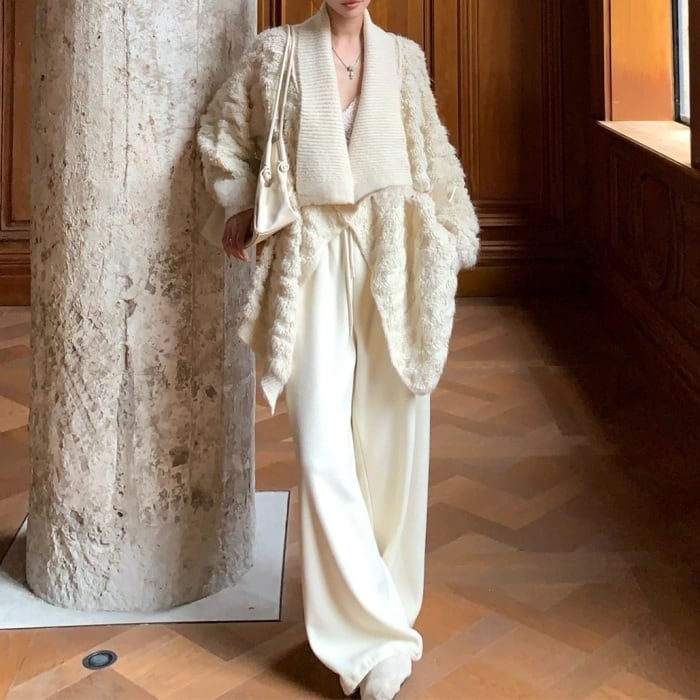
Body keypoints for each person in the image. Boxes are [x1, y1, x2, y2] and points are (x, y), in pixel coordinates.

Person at [197, 1, 480, 698]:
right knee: (322, 446)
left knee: (393, 446)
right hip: (312, 260)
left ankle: (388, 610)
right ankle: (365, 643)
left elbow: (435, 157)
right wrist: (240, 202)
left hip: (395, 259)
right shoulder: (275, 52)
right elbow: (223, 134)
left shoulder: (404, 59)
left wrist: (452, 239)